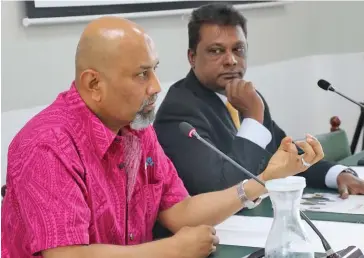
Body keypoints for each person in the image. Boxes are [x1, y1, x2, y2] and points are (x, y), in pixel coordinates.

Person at [1, 16, 324, 258]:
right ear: (93, 84)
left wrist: (266, 179)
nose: (156, 86)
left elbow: (179, 211)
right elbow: (66, 255)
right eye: (142, 74)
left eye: (154, 69)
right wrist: (171, 250)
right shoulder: (46, 144)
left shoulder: (135, 128)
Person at [154, 3, 364, 199]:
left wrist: (337, 174)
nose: (231, 60)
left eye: (238, 49)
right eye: (216, 51)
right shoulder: (180, 110)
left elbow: (284, 154)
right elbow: (220, 188)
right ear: (192, 57)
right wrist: (253, 118)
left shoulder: (246, 96)